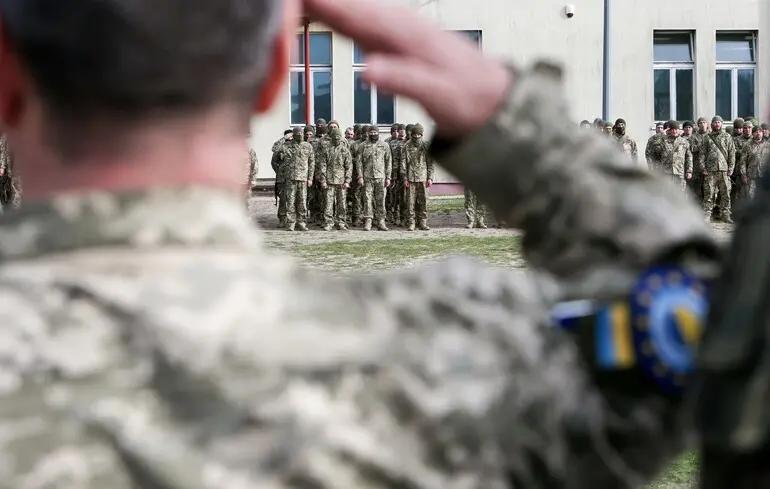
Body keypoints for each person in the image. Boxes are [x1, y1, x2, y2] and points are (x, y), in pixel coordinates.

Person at [0, 1, 736, 489]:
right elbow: (688, 321)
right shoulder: (442, 359)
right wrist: (515, 128)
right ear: (275, 76)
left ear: (6, 76)